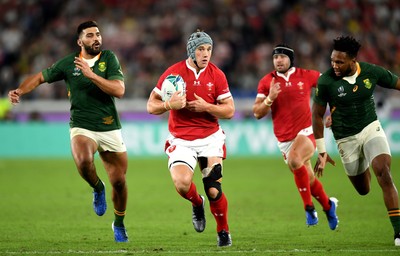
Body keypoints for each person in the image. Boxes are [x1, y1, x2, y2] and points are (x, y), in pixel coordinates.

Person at [8, 20, 129, 242]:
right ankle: (97, 186)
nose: (96, 39)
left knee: (120, 182)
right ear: (79, 41)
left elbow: (119, 90)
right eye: (90, 35)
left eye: (98, 34)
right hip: (81, 125)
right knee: (83, 160)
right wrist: (20, 90)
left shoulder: (109, 58)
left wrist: (91, 75)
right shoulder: (68, 64)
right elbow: (40, 77)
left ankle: (119, 223)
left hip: (109, 126)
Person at [147, 29, 235, 247]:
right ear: (191, 51)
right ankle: (197, 203)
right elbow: (151, 105)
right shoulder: (173, 74)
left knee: (214, 189)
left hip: (210, 139)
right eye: (201, 49)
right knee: (182, 184)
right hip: (181, 139)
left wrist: (207, 107)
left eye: (209, 49)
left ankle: (223, 231)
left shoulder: (217, 75)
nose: (206, 54)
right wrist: (169, 105)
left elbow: (230, 110)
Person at [312, 35, 400, 246]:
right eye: (332, 60)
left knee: (384, 174)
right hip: (346, 138)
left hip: (370, 128)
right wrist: (322, 152)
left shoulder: (371, 72)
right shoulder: (325, 81)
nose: (334, 65)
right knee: (363, 190)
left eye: (340, 62)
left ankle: (398, 233)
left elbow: (397, 83)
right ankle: (367, 163)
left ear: (353, 60)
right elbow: (316, 116)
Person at [252, 44, 339, 230]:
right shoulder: (267, 82)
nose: (278, 60)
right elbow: (257, 113)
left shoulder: (307, 75)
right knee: (308, 179)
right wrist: (270, 98)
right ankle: (329, 206)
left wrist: (334, 110)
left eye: (282, 57)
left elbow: (331, 87)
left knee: (294, 160)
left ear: (291, 59)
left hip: (306, 132)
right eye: (275, 57)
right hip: (284, 140)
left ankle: (309, 208)